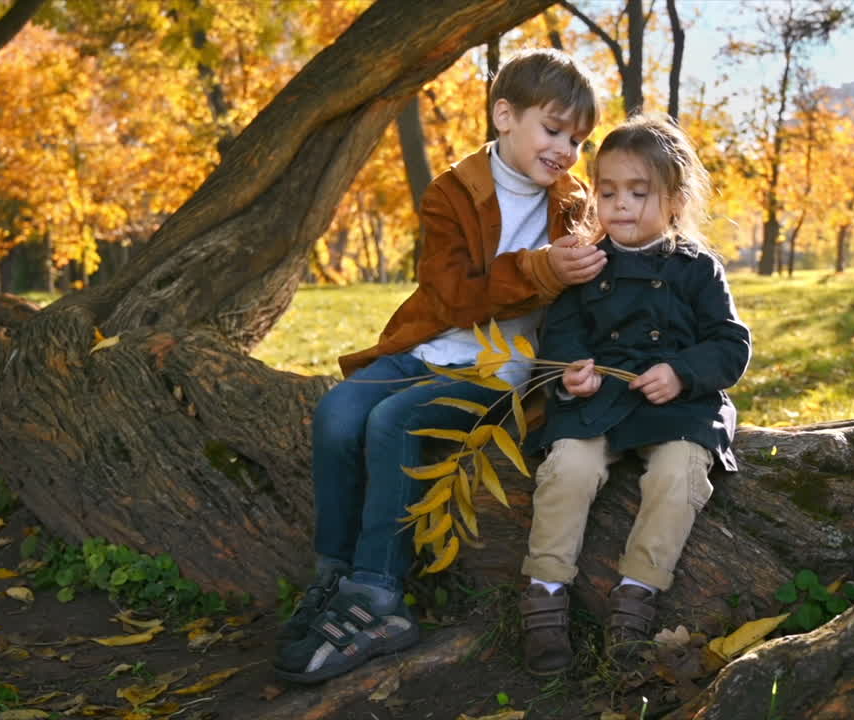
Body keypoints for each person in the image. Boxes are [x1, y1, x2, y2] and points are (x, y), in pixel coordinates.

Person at [274, 48, 605, 684]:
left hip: (501, 370)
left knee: (393, 423)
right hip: (431, 347)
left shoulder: (572, 202)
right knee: (339, 412)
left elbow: (584, 297)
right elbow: (450, 295)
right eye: (554, 129)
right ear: (504, 115)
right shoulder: (453, 191)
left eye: (578, 139)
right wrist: (538, 269)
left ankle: (378, 597)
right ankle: (335, 578)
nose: (566, 149)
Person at [518, 114, 752, 676]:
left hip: (679, 407)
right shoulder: (588, 266)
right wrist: (572, 374)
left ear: (673, 199)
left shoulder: (698, 270)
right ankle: (544, 596)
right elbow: (562, 337)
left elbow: (730, 343)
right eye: (608, 192)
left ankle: (635, 599)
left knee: (679, 475)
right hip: (599, 402)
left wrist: (682, 371)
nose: (620, 204)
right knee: (567, 468)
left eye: (638, 192)